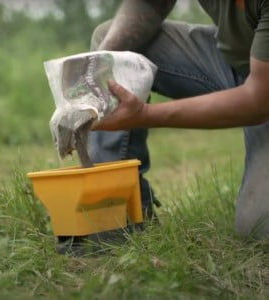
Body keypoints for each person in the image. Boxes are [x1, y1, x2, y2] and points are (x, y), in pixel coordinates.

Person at [88, 0, 269, 238]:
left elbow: (258, 100)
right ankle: (118, 216)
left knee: (257, 228)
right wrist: (100, 64)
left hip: (261, 89)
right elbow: (150, 5)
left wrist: (144, 116)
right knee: (111, 44)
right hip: (240, 61)